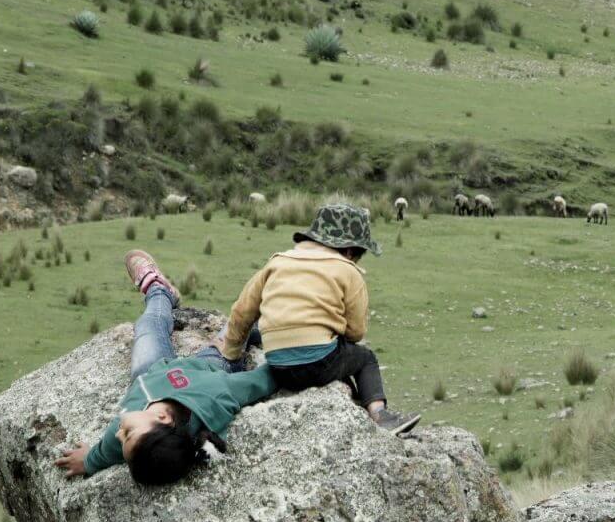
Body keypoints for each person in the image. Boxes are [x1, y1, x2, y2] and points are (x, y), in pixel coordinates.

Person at [54, 250, 276, 484]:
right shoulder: (213, 395)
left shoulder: (130, 431)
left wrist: (89, 461)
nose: (120, 433)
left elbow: (107, 450)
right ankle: (291, 310)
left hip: (150, 373)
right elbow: (259, 382)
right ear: (162, 417)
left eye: (124, 439)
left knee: (148, 325)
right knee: (241, 323)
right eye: (127, 434)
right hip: (210, 364)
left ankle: (158, 290)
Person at [221, 202, 419, 434]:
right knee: (365, 358)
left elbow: (242, 312)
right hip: (317, 365)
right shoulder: (348, 270)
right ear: (349, 251)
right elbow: (356, 332)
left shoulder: (277, 262)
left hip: (276, 363)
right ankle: (380, 415)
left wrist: (232, 355)